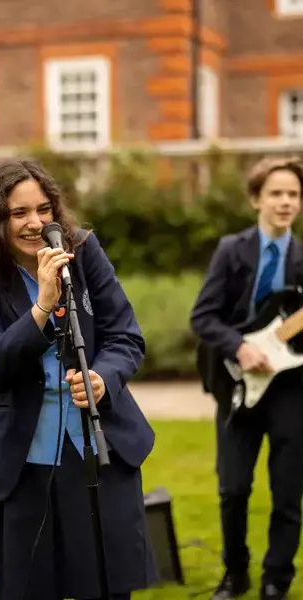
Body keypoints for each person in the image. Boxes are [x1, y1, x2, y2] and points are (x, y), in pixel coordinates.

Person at [0, 158, 157, 600]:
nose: (35, 223)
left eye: (43, 209)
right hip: (23, 464)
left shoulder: (83, 251)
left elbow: (126, 337)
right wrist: (41, 306)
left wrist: (102, 378)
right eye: (18, 213)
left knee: (108, 586)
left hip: (99, 449)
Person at [190, 156, 303, 600]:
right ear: (256, 199)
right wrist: (240, 346)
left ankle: (277, 578)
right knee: (233, 487)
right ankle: (234, 573)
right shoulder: (231, 250)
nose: (286, 202)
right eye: (276, 193)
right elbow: (203, 315)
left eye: (293, 194)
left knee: (288, 492)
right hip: (237, 383)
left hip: (292, 389)